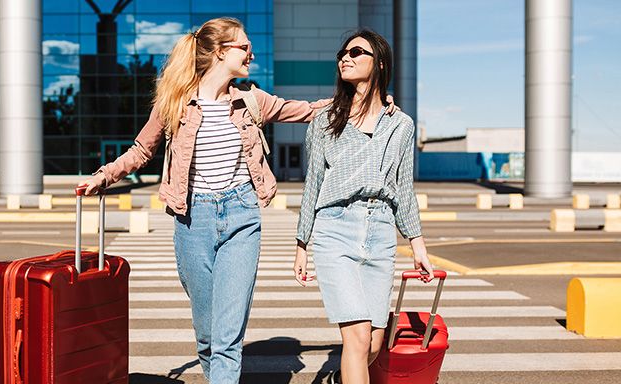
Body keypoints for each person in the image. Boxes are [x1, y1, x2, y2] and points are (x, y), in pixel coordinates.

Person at [80, 17, 397, 383]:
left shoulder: (251, 100)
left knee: (228, 336)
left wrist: (368, 100)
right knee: (208, 333)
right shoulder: (175, 103)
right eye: (244, 47)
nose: (251, 53)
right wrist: (105, 174)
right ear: (219, 52)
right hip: (192, 220)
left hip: (242, 216)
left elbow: (308, 110)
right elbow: (141, 149)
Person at [293, 29, 434, 384]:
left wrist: (417, 245)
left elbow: (404, 187)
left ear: (380, 64)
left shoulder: (401, 124)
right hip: (335, 227)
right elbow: (313, 183)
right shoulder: (325, 120)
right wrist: (301, 244)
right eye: (342, 52)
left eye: (357, 52)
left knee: (372, 343)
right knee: (355, 336)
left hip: (381, 231)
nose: (346, 57)